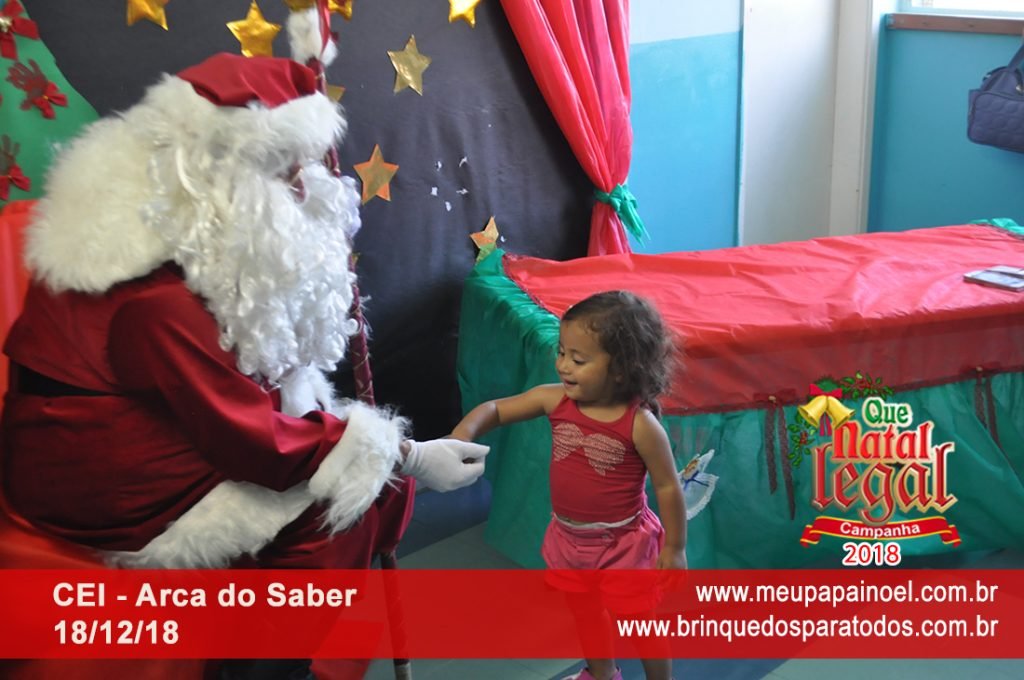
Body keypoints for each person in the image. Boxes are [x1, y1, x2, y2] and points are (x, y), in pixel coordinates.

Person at [0, 52, 487, 678]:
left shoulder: (177, 232)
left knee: (353, 463)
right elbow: (257, 443)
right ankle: (265, 665)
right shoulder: (157, 299)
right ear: (216, 180)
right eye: (284, 172)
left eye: (305, 165)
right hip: (106, 480)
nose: (305, 187)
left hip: (162, 425)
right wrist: (408, 454)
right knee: (344, 501)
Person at [451, 290, 686, 680]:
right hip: (569, 537)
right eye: (561, 353)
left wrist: (674, 548)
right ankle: (602, 673)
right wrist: (461, 435)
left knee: (640, 623)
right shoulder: (554, 399)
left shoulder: (640, 425)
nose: (563, 366)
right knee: (586, 614)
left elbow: (668, 487)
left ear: (621, 369)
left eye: (578, 359)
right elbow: (496, 409)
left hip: (622, 543)